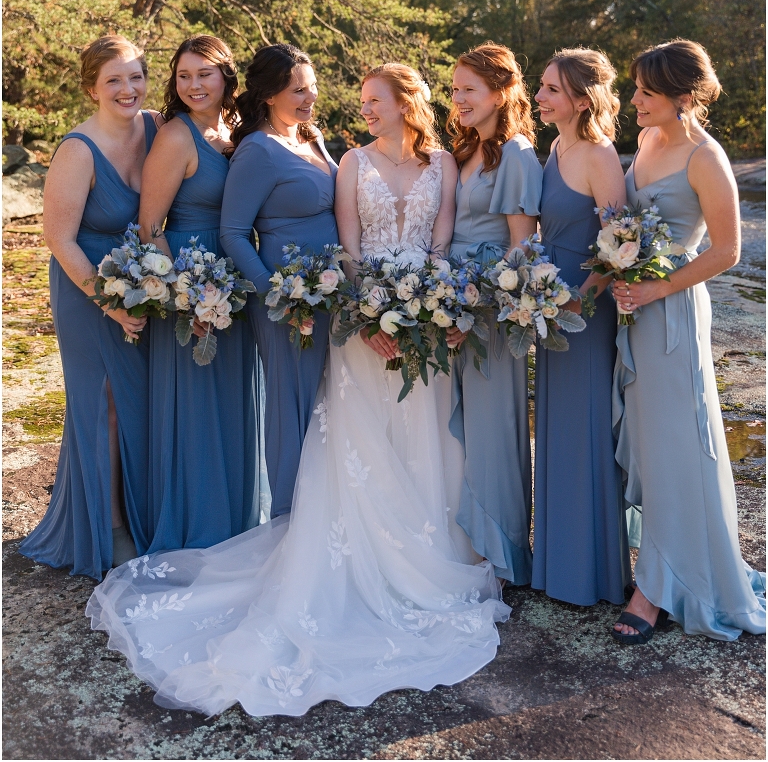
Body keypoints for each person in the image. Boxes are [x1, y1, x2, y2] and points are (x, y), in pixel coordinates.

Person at [86, 63, 509, 718]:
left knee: (425, 437)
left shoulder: (435, 164)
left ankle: (428, 552)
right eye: (357, 97)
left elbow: (443, 239)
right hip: (358, 322)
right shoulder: (349, 163)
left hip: (425, 323)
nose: (359, 107)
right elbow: (348, 246)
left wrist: (438, 308)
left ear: (406, 102)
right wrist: (370, 312)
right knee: (352, 441)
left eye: (374, 99)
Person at [611, 39, 766, 643]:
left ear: (681, 97)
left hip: (671, 314)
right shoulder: (649, 143)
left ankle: (655, 591)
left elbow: (727, 252)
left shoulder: (706, 157)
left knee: (677, 445)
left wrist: (656, 289)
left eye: (645, 93)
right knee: (648, 445)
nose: (634, 101)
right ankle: (658, 565)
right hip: (634, 312)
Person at [19, 36, 159, 579]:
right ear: (92, 89)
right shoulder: (78, 149)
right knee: (104, 403)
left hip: (142, 286)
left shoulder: (152, 129)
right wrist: (109, 301)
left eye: (135, 77)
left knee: (140, 399)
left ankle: (141, 513)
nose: (127, 89)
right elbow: (59, 237)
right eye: (113, 81)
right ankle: (110, 528)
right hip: (87, 290)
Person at [137, 36, 264, 552]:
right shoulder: (175, 137)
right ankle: (198, 528)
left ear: (226, 78)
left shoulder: (239, 129)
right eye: (184, 76)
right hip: (195, 282)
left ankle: (240, 521)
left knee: (236, 398)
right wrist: (185, 293)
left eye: (204, 74)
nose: (193, 85)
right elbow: (150, 226)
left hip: (240, 277)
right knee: (197, 404)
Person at [219, 44, 338, 519]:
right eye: (298, 90)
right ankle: (291, 519)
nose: (309, 97)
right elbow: (233, 233)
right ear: (269, 95)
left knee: (329, 402)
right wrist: (276, 294)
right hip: (287, 302)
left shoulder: (311, 137)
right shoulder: (258, 151)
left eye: (312, 86)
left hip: (329, 294)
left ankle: (328, 513)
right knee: (291, 408)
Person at [531, 48, 632, 606]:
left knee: (587, 429)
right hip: (549, 308)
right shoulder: (554, 149)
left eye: (550, 89)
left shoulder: (599, 155)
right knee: (555, 430)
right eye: (541, 87)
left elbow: (618, 244)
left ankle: (592, 572)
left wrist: (578, 302)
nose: (540, 97)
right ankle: (558, 566)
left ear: (580, 98)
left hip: (584, 314)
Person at [446, 44, 543, 585]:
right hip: (454, 302)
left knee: (494, 429)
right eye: (455, 89)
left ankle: (501, 558)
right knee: (462, 429)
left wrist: (472, 307)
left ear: (501, 93)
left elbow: (520, 251)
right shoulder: (469, 151)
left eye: (469, 90)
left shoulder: (517, 154)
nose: (458, 99)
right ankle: (470, 547)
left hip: (490, 310)